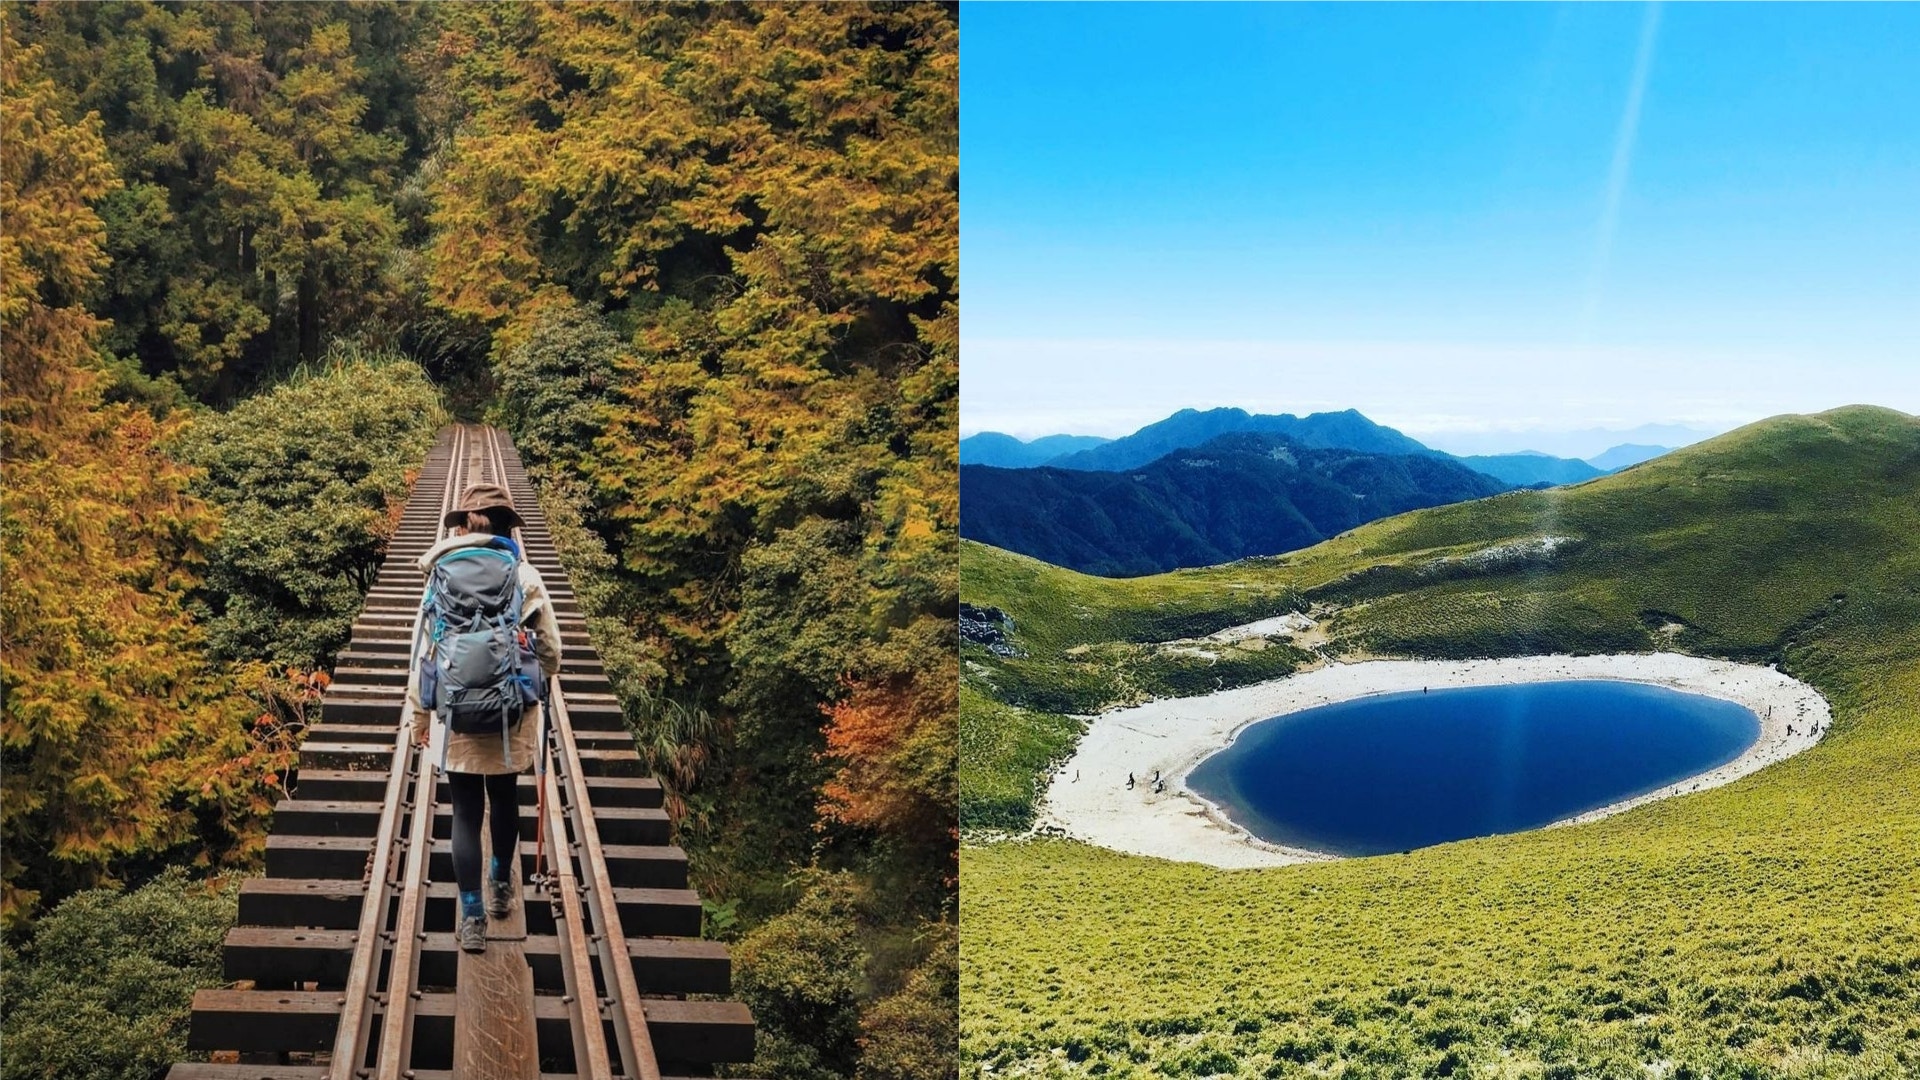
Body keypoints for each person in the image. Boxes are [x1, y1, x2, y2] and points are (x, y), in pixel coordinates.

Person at [408, 483, 563, 954]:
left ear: (462, 524)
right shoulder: (523, 573)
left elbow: (424, 653)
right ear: (505, 526)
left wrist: (420, 718)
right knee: (504, 799)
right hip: (509, 711)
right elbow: (552, 649)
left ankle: (472, 917)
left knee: (464, 811)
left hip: (456, 712)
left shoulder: (439, 575)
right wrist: (540, 680)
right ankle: (500, 886)